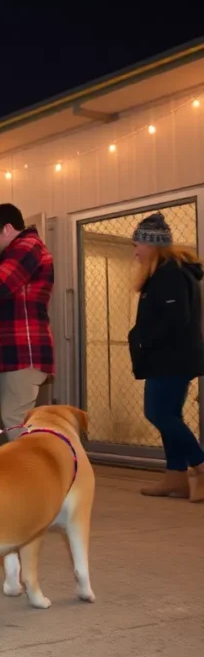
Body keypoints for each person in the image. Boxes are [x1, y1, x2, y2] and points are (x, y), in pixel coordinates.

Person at [127, 213, 204, 502]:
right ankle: (176, 478)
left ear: (152, 245)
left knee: (158, 413)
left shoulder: (169, 273)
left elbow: (175, 318)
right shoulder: (168, 272)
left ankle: (200, 465)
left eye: (138, 245)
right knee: (169, 415)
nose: (135, 251)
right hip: (172, 358)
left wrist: (144, 340)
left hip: (172, 359)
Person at [0, 203, 54, 439]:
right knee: (14, 417)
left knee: (15, 420)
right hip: (14, 351)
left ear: (8, 228)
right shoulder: (13, 253)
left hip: (23, 350)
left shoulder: (27, 247)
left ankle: (29, 472)